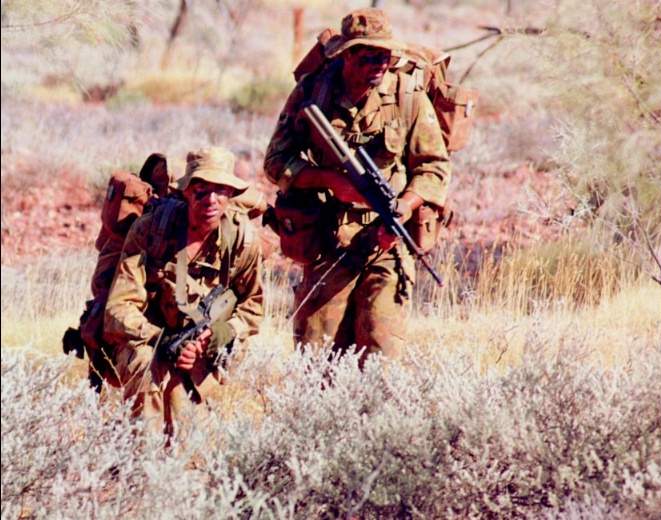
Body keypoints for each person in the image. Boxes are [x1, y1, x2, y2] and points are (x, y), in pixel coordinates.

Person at [264, 8, 451, 364]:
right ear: (346, 55)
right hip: (328, 241)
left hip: (386, 243)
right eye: (367, 57)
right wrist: (330, 181)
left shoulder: (407, 96)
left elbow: (434, 167)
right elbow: (275, 161)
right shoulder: (313, 92)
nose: (379, 66)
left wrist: (405, 206)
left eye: (385, 57)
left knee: (381, 358)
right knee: (316, 360)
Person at [103, 146, 264, 434]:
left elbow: (253, 306)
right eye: (202, 190)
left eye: (220, 190)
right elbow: (119, 306)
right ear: (187, 191)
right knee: (147, 371)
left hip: (201, 342)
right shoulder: (151, 230)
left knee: (185, 421)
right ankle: (142, 454)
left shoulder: (243, 240)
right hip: (145, 338)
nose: (211, 200)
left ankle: (183, 457)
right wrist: (161, 339)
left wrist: (215, 336)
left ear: (231, 194)